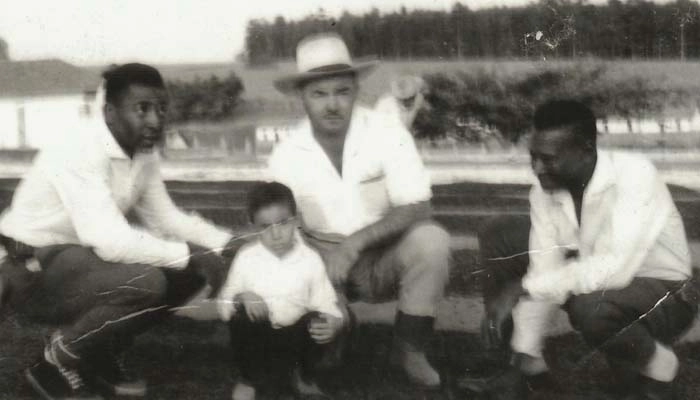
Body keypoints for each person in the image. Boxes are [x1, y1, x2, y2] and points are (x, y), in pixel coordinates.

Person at [0, 63, 241, 400]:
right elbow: (110, 242)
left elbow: (166, 219)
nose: (155, 120)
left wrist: (226, 244)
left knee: (186, 273)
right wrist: (192, 254)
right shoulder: (81, 147)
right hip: (27, 267)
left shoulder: (143, 153)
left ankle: (95, 353)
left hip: (77, 264)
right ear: (110, 112)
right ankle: (53, 362)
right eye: (142, 109)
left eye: (161, 108)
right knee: (148, 281)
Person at [466, 99, 698, 399]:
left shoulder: (635, 174)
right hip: (604, 283)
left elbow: (613, 270)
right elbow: (543, 269)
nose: (537, 168)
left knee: (592, 308)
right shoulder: (544, 188)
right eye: (532, 157)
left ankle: (660, 370)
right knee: (503, 236)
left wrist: (520, 288)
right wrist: (525, 351)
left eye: (548, 159)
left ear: (587, 149)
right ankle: (527, 370)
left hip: (668, 294)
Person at [269, 32, 451, 388]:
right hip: (320, 258)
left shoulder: (388, 131)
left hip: (382, 252)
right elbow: (280, 227)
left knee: (433, 241)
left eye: (341, 91)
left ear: (356, 89)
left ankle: (409, 350)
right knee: (326, 364)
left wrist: (353, 244)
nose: (332, 104)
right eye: (319, 94)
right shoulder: (285, 154)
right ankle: (337, 329)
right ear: (301, 97)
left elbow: (418, 205)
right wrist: (321, 286)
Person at [217, 181, 344, 400]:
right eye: (265, 226)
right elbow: (223, 303)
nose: (276, 234)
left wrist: (333, 321)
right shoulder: (247, 257)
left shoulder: (310, 259)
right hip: (260, 337)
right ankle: (250, 378)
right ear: (253, 226)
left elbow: (326, 301)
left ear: (295, 221)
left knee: (318, 319)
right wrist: (242, 297)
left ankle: (303, 376)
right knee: (241, 318)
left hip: (295, 337)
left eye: (283, 223)